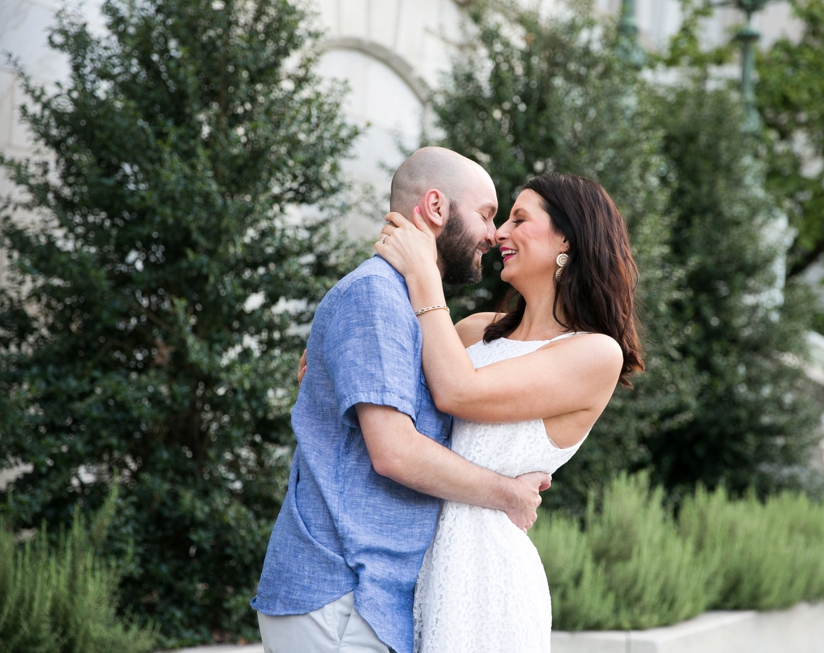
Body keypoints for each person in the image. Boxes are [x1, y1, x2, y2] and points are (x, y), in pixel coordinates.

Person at [251, 147, 552, 653]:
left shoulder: (406, 305)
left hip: (368, 601)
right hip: (342, 595)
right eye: (486, 214)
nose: (492, 233)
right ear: (436, 208)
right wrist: (510, 495)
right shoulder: (376, 296)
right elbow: (395, 451)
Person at [374, 172, 643, 652]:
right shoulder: (474, 331)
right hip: (407, 559)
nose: (499, 233)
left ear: (567, 238)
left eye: (519, 219)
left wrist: (423, 276)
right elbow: (386, 395)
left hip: (486, 581)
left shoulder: (596, 354)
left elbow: (458, 391)